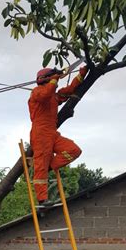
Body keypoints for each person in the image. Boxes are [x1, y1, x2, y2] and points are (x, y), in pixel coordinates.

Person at [28, 65, 88, 207]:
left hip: (52, 133)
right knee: (40, 167)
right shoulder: (37, 92)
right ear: (45, 79)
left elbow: (69, 90)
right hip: (40, 133)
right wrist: (54, 80)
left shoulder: (53, 95)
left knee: (74, 150)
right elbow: (45, 95)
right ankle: (42, 199)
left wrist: (81, 74)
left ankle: (48, 166)